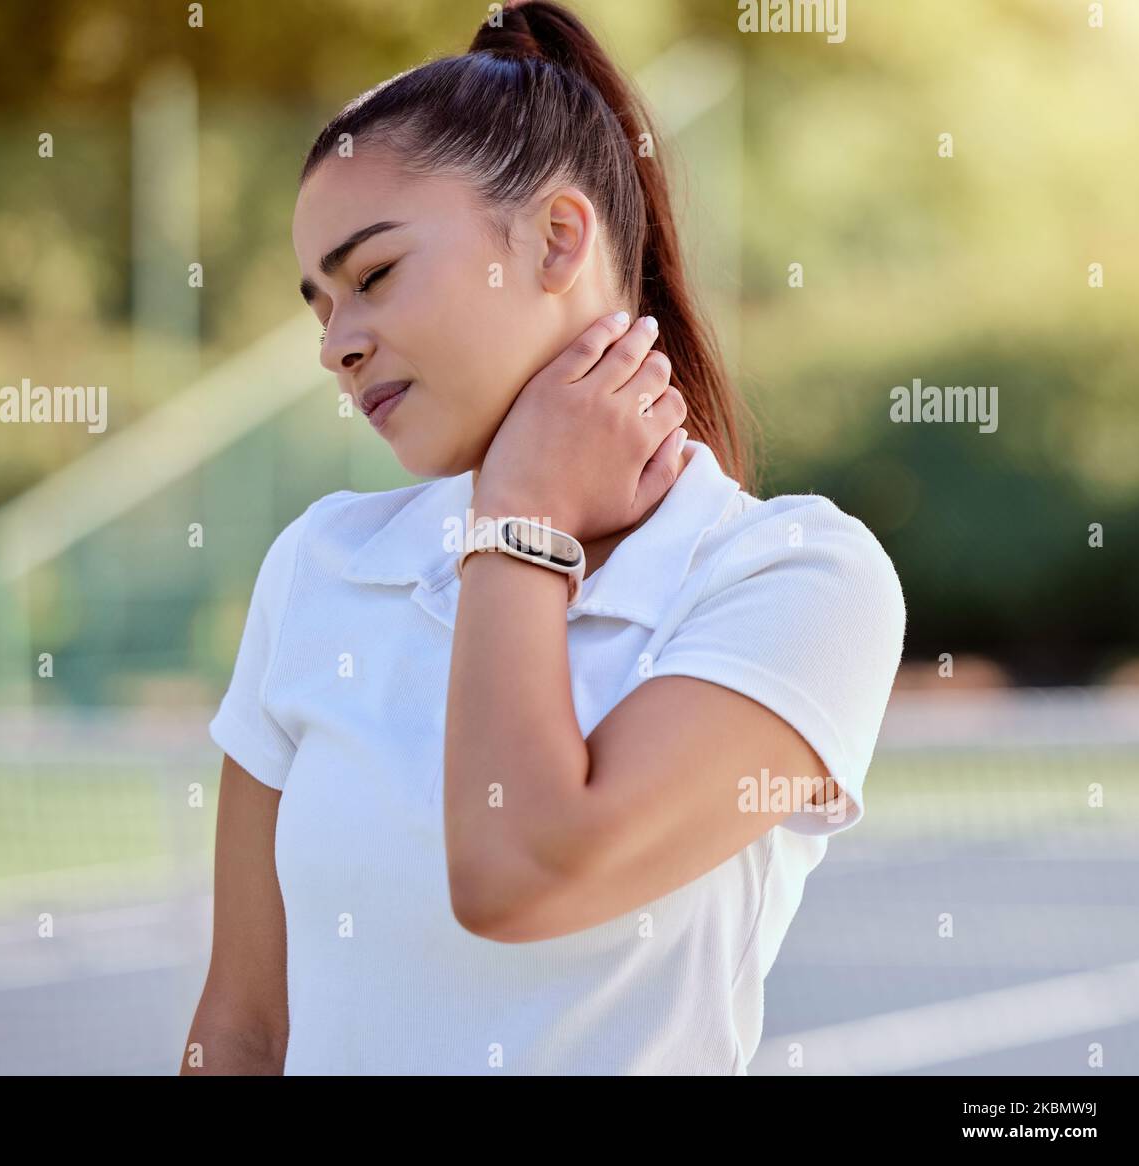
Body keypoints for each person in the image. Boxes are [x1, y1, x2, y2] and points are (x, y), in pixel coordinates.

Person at [183, 0, 905, 1076]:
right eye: (318, 305)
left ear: (559, 237)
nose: (336, 344)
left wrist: (516, 517)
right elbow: (243, 1026)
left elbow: (517, 872)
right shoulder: (319, 566)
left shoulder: (796, 576)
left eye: (372, 275)